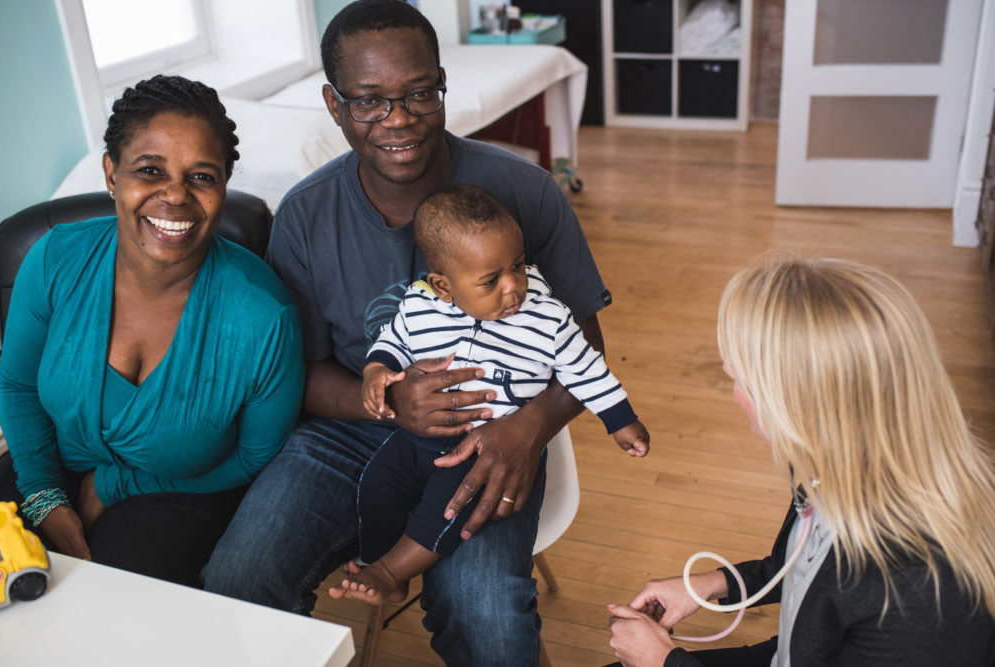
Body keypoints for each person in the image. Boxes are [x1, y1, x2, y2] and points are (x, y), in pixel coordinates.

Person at [200, 1, 613, 663]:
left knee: (490, 624)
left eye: (419, 92)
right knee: (237, 583)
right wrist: (391, 400)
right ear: (335, 107)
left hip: (487, 437)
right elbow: (297, 374)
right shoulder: (306, 216)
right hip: (345, 436)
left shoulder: (526, 192)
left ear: (441, 82)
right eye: (369, 101)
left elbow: (586, 345)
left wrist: (527, 429)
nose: (399, 119)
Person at [606, 256, 995, 666]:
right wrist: (710, 584)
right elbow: (804, 565)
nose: (725, 368)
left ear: (800, 404)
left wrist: (665, 662)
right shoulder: (829, 465)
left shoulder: (920, 592)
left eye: (742, 372)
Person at [0, 74, 305, 588]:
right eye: (150, 170)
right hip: (45, 463)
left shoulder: (264, 317)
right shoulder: (54, 259)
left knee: (123, 602)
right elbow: (19, 384)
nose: (176, 196)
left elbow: (255, 455)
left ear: (224, 185)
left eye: (202, 176)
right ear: (112, 175)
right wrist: (44, 495)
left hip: (184, 488)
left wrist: (115, 484)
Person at [330, 184, 649, 604]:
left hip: (485, 450)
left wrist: (620, 420)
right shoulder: (421, 305)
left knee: (448, 506)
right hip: (418, 438)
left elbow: (585, 367)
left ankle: (391, 573)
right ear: (443, 286)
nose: (513, 286)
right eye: (490, 280)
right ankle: (378, 560)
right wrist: (376, 371)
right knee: (378, 484)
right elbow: (393, 342)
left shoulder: (547, 317)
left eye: (517, 265)